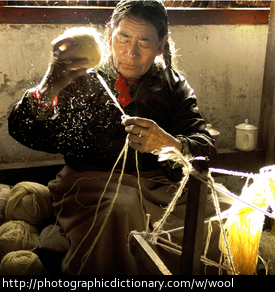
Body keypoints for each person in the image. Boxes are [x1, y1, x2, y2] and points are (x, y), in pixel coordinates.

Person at [8, 0, 230, 275]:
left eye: (144, 42)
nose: (130, 53)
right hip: (91, 184)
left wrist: (168, 143)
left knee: (225, 212)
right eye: (123, 37)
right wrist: (48, 87)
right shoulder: (79, 77)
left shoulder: (173, 85)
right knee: (122, 210)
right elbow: (23, 131)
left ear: (161, 45)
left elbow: (204, 145)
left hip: (159, 187)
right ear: (110, 32)